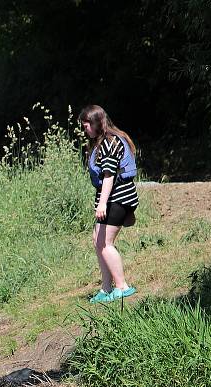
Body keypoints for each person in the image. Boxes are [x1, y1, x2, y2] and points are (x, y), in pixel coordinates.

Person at [79, 105, 139, 303]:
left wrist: (102, 204)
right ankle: (106, 288)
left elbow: (109, 175)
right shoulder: (101, 142)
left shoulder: (109, 142)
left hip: (118, 198)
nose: (84, 129)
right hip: (112, 198)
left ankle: (122, 287)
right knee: (97, 240)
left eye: (86, 125)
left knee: (105, 243)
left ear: (97, 123)